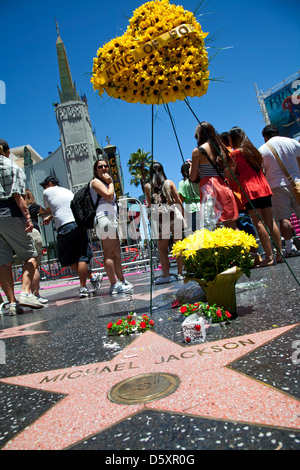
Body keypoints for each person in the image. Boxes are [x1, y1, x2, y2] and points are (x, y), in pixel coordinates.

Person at [0, 139, 44, 315]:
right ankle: (25, 292)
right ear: (7, 151)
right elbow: (19, 197)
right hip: (11, 214)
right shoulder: (12, 167)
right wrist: (28, 219)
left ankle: (12, 303)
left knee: (3, 264)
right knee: (31, 255)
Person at [228, 127, 282, 267]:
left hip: (250, 189)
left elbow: (231, 176)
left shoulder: (236, 153)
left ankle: (269, 257)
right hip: (263, 186)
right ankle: (279, 254)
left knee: (258, 222)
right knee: (270, 221)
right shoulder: (254, 151)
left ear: (234, 139)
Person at [41, 176, 102, 298]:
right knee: (81, 257)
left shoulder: (47, 192)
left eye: (45, 185)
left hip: (64, 226)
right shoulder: (68, 191)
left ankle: (91, 278)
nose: (44, 187)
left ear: (49, 184)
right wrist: (51, 216)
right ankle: (86, 284)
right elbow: (62, 207)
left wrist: (48, 216)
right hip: (78, 224)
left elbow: (49, 209)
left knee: (66, 259)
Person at [90, 159, 133, 294]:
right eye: (100, 166)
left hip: (111, 218)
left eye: (105, 166)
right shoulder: (95, 182)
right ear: (95, 170)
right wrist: (110, 183)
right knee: (108, 252)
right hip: (104, 218)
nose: (103, 168)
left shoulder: (106, 183)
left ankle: (121, 280)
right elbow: (109, 196)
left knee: (116, 253)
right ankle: (114, 285)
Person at [259, 124, 300, 257]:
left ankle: (289, 247)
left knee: (284, 218)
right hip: (297, 182)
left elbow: (262, 172)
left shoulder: (263, 149)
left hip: (277, 186)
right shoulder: (293, 142)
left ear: (265, 136)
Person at [189, 122, 239, 229]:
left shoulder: (197, 151)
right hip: (224, 188)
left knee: (213, 227)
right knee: (232, 226)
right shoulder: (222, 149)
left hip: (209, 191)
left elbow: (192, 177)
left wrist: (191, 167)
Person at [145, 162, 184, 284]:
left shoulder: (147, 186)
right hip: (174, 214)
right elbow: (177, 200)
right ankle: (180, 273)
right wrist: (183, 214)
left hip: (160, 218)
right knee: (178, 246)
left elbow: (150, 205)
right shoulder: (170, 183)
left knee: (162, 249)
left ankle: (166, 275)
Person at [24, 189, 49, 303]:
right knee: (35, 265)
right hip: (34, 232)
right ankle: (36, 294)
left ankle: (26, 293)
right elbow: (46, 211)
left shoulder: (18, 208)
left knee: (26, 264)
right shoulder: (34, 207)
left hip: (22, 234)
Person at [178, 161, 201, 233]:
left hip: (190, 210)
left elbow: (180, 201)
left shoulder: (183, 183)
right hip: (203, 207)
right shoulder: (200, 180)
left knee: (195, 235)